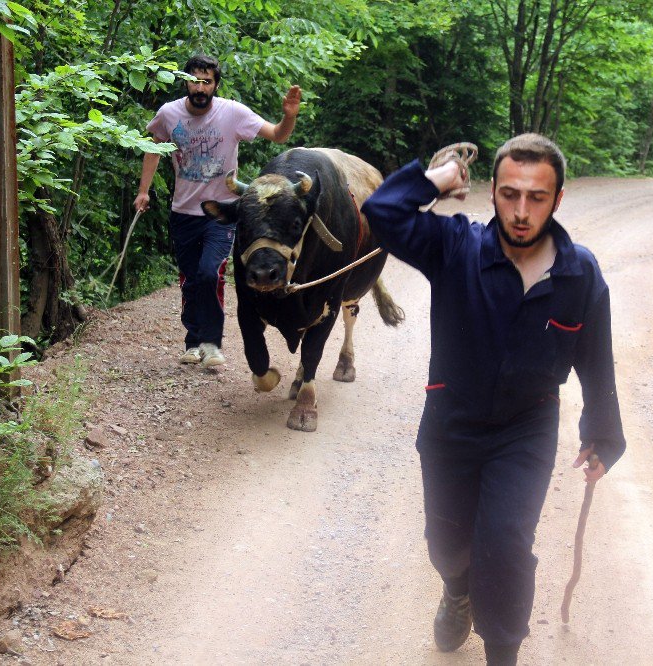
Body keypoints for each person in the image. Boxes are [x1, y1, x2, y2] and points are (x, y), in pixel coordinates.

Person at [361, 134, 626, 665]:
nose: (521, 211)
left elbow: (597, 360)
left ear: (558, 200)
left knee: (505, 544)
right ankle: (456, 589)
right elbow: (381, 213)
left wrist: (602, 433)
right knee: (447, 544)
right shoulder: (455, 247)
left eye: (536, 197)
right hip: (450, 422)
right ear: (492, 194)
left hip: (525, 427)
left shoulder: (580, 274)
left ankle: (502, 651)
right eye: (509, 195)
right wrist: (435, 179)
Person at [134, 54, 301, 368]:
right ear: (185, 80)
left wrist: (288, 116)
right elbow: (153, 147)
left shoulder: (232, 113)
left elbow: (278, 134)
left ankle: (211, 345)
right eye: (194, 80)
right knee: (191, 279)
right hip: (183, 211)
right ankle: (193, 342)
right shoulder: (169, 114)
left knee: (210, 273)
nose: (200, 87)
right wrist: (143, 191)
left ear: (215, 85)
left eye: (206, 81)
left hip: (220, 212)